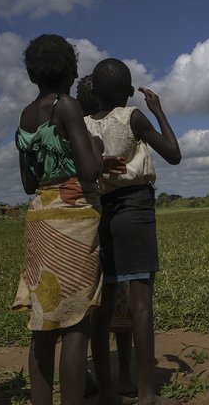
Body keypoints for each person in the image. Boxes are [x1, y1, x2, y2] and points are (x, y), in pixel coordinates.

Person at [12, 34, 104, 405]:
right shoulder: (68, 106)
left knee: (44, 322)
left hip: (39, 216)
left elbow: (28, 182)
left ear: (33, 74)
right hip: (74, 218)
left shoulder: (25, 115)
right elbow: (89, 169)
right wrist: (96, 148)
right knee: (76, 323)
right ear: (71, 70)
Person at [85, 58, 182, 405]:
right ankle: (145, 393)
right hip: (137, 211)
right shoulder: (133, 116)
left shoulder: (81, 125)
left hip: (102, 214)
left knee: (104, 305)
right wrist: (157, 110)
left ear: (92, 91)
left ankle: (109, 392)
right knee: (140, 306)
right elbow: (173, 154)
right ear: (130, 92)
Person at [76, 74, 137, 398]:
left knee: (86, 309)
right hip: (115, 219)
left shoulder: (77, 131)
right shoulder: (117, 124)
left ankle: (84, 376)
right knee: (121, 304)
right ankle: (125, 376)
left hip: (85, 225)